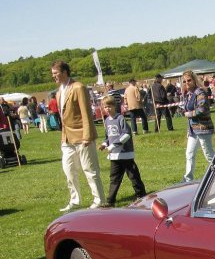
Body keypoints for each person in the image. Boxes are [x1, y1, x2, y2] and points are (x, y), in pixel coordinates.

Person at [51, 59, 105, 211]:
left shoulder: (78, 87)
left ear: (64, 72)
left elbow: (86, 113)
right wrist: (63, 137)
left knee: (90, 169)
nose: (53, 76)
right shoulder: (59, 92)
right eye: (52, 74)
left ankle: (99, 200)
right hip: (67, 138)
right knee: (68, 170)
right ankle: (75, 200)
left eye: (56, 73)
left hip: (82, 136)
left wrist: (87, 136)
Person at [98, 95, 146, 207]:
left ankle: (141, 195)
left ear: (114, 106)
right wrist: (104, 144)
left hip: (125, 154)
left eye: (109, 106)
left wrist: (113, 145)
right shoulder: (107, 121)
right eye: (105, 107)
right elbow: (108, 137)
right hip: (114, 156)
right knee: (114, 179)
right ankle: (110, 201)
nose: (107, 109)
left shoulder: (120, 118)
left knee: (133, 176)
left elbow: (126, 134)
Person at [181, 70, 215, 183]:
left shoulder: (200, 93)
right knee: (189, 154)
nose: (187, 83)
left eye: (189, 80)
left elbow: (202, 109)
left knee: (209, 155)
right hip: (193, 130)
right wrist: (188, 129)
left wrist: (188, 114)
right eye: (184, 81)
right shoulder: (188, 94)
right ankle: (188, 179)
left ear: (194, 80)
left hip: (203, 128)